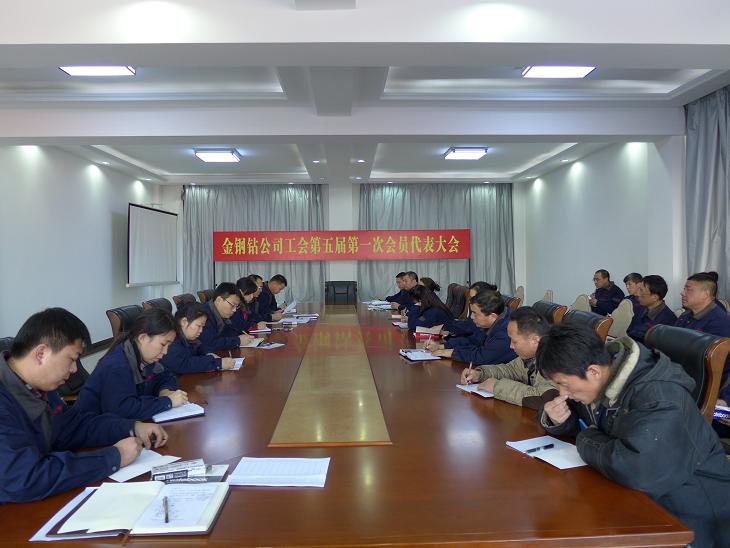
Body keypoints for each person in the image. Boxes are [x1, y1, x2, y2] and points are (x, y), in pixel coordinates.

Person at [536, 323, 730, 548]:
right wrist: (556, 419)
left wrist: (585, 438)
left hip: (692, 519)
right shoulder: (602, 376)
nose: (563, 393)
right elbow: (578, 417)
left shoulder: (661, 398)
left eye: (563, 384)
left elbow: (637, 469)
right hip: (640, 501)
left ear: (593, 371)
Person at [0, 308, 167, 503]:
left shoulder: (39, 387)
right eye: (72, 359)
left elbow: (74, 426)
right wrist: (114, 457)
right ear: (41, 353)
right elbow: (25, 479)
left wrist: (132, 427)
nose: (74, 369)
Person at [74, 308, 188, 420]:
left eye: (169, 346)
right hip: (93, 427)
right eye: (163, 344)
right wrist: (167, 402)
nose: (165, 351)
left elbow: (166, 376)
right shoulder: (117, 365)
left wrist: (165, 390)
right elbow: (122, 410)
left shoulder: (146, 357)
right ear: (143, 338)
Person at [460, 307, 558, 409]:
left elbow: (544, 399)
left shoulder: (554, 360)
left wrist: (497, 387)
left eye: (514, 341)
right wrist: (480, 374)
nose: (511, 346)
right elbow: (510, 369)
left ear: (535, 340)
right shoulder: (532, 356)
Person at [426, 290, 517, 365]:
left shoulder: (506, 332)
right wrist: (442, 346)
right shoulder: (494, 321)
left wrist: (450, 352)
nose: (472, 317)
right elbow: (473, 340)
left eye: (475, 313)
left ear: (492, 316)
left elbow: (482, 357)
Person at [161, 302, 237, 374]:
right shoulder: (171, 340)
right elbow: (184, 364)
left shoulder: (186, 336)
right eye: (199, 326)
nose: (201, 331)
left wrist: (207, 353)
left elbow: (198, 346)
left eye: (202, 327)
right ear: (184, 322)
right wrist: (217, 363)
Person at [198, 282, 255, 353]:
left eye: (236, 306)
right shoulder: (203, 315)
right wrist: (238, 341)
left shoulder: (222, 315)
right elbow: (209, 344)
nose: (234, 310)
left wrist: (241, 338)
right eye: (232, 305)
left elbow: (230, 333)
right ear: (219, 300)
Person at [675, 272, 730, 338]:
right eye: (684, 289)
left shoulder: (720, 322)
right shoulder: (685, 315)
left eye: (688, 290)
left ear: (705, 294)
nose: (682, 293)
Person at [626, 275, 677, 343]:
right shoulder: (640, 308)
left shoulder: (668, 321)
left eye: (641, 291)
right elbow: (630, 332)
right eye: (639, 289)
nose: (638, 294)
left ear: (654, 297)